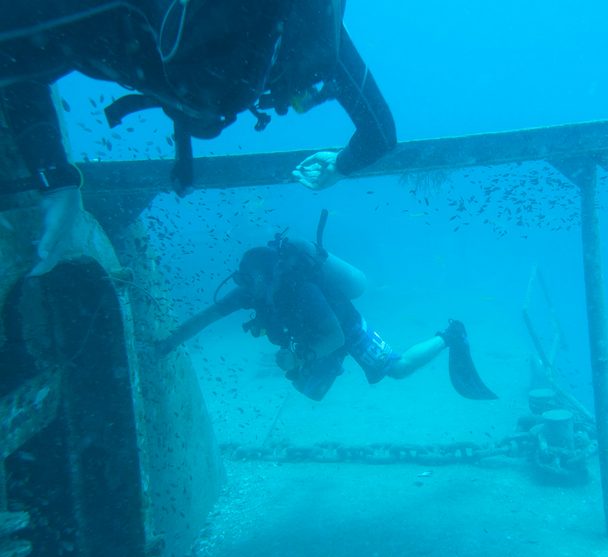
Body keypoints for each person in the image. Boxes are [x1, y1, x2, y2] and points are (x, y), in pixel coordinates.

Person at [1, 0, 396, 274]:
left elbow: (380, 134)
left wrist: (341, 164)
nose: (226, 95)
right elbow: (12, 59)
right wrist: (54, 177)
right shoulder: (105, 12)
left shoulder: (314, 32)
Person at [158, 216, 497, 401]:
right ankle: (313, 368)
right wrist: (169, 342)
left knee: (398, 369)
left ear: (265, 275)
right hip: (310, 337)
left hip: (344, 328)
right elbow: (206, 317)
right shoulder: (250, 291)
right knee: (313, 393)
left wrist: (301, 358)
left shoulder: (301, 289)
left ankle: (450, 334)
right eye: (242, 280)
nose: (243, 287)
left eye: (249, 280)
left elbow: (334, 336)